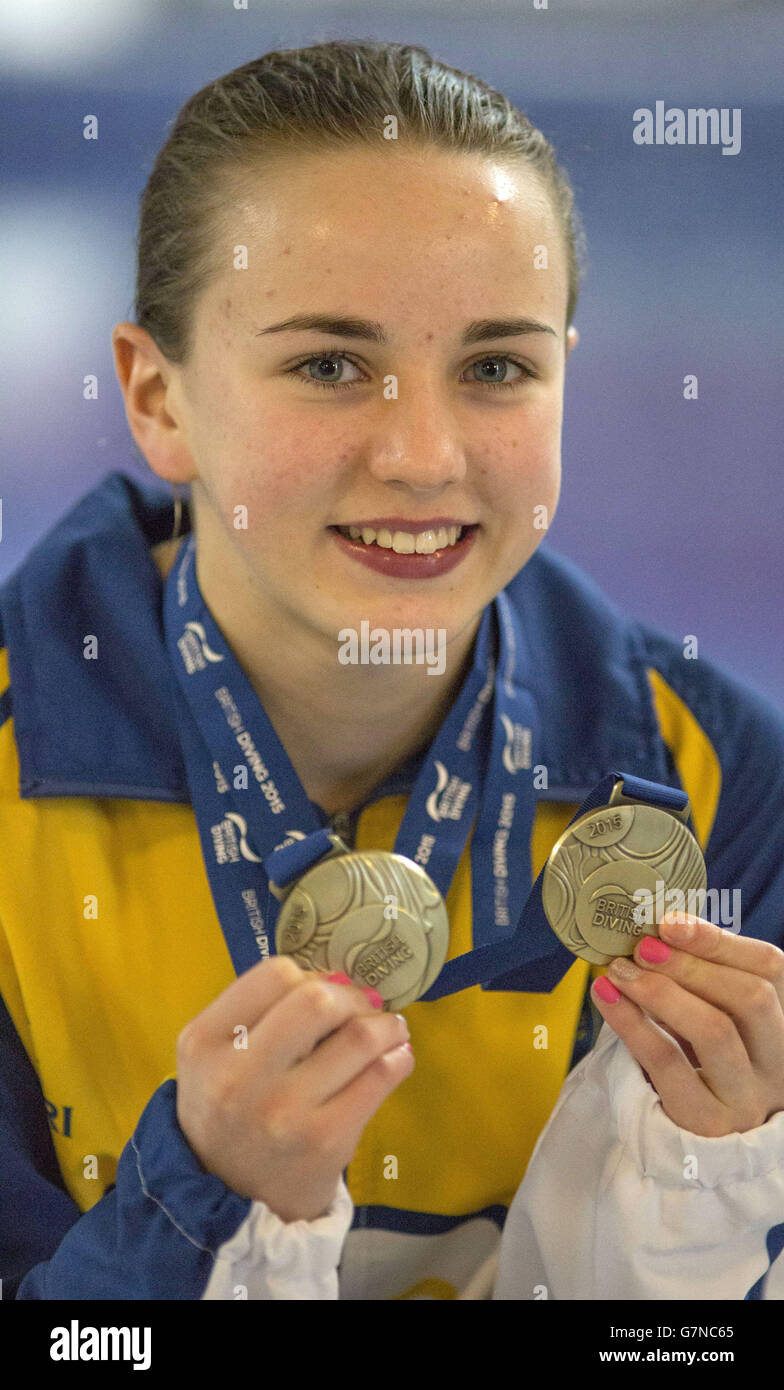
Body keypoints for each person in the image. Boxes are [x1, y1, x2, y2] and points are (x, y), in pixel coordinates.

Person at [1, 38, 783, 1303]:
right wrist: (191, 1204)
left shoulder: (727, 785)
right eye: (328, 365)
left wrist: (706, 1206)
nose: (424, 456)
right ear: (157, 397)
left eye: (494, 368)